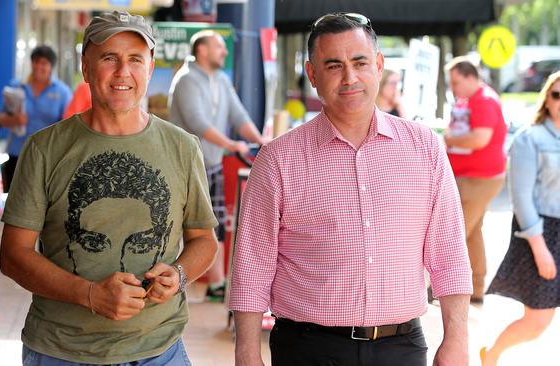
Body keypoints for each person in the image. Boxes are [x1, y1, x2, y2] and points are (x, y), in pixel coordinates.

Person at [228, 12, 472, 366]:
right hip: (309, 349)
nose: (349, 77)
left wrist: (457, 340)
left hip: (401, 347)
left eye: (359, 62)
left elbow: (448, 252)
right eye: (333, 66)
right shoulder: (277, 159)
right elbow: (253, 264)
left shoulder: (425, 148)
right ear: (312, 75)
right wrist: (247, 353)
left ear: (378, 64)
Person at [0, 10, 219, 365]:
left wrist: (178, 275)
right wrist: (88, 294)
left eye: (135, 59)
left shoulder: (182, 147)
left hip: (160, 351)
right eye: (109, 58)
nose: (123, 72)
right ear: (86, 68)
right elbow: (13, 255)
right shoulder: (44, 148)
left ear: (149, 69)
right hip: (62, 351)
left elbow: (204, 241)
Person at [168, 29, 267, 302]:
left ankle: (217, 283)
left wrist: (262, 141)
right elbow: (198, 122)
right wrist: (231, 145)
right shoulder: (186, 80)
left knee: (216, 224)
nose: (224, 52)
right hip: (183, 167)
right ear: (202, 50)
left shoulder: (221, 80)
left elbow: (239, 116)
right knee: (180, 226)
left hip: (210, 165)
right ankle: (172, 281)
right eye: (219, 47)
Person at [480, 71, 560, 366]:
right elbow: (522, 200)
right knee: (538, 320)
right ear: (547, 99)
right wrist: (540, 249)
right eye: (557, 94)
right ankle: (492, 355)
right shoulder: (530, 138)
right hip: (542, 233)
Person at [444, 57, 507, 304]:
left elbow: (480, 139)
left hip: (478, 178)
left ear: (470, 77)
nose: (453, 88)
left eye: (456, 82)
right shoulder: (472, 100)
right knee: (471, 233)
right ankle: (476, 287)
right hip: (473, 177)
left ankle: (443, 288)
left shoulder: (484, 101)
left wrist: (448, 140)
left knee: (455, 233)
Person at [0, 45, 72, 192]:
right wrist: (14, 121)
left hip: (48, 157)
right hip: (17, 154)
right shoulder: (16, 87)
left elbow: (68, 125)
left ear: (51, 67)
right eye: (36, 62)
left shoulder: (62, 92)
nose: (39, 66)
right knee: (13, 199)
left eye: (44, 63)